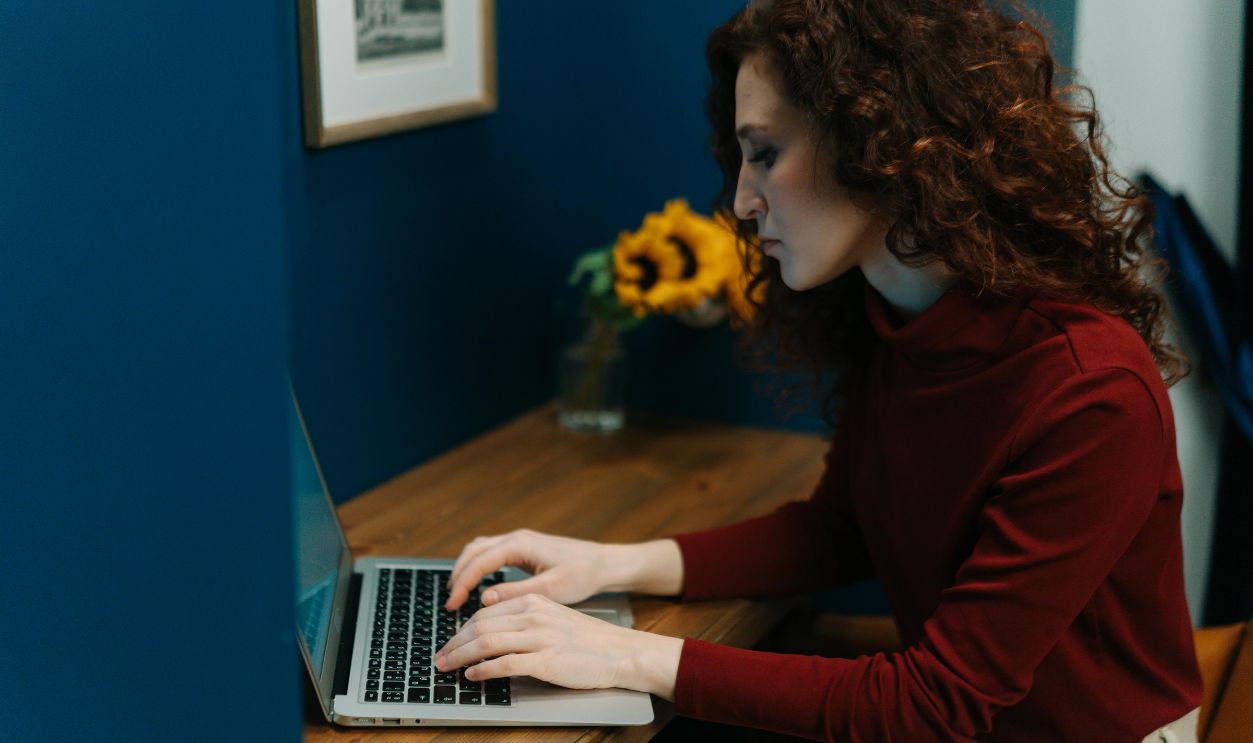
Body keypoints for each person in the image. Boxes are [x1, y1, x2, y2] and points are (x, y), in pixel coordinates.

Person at [433, 1, 1204, 740]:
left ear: (877, 135)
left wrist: (623, 654)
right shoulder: (897, 317)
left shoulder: (1090, 390)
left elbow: (936, 701)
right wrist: (607, 565)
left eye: (765, 153)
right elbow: (840, 532)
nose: (740, 201)